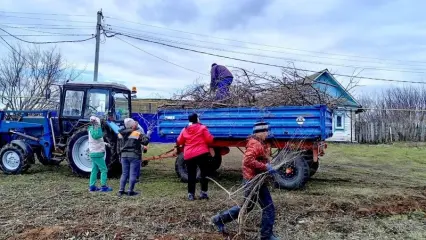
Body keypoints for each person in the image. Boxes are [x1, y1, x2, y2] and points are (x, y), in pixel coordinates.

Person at [211, 122, 280, 240]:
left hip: (253, 179)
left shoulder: (258, 143)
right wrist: (265, 167)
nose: (267, 134)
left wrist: (266, 164)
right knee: (268, 207)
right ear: (261, 132)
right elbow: (247, 161)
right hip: (253, 180)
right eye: (266, 131)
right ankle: (266, 235)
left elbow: (257, 159)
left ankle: (219, 219)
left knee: (247, 207)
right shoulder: (255, 144)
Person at [177, 113, 214, 201]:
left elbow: (179, 141)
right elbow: (210, 139)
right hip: (201, 153)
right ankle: (203, 193)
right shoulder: (202, 128)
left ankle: (191, 195)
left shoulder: (184, 129)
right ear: (197, 119)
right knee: (204, 173)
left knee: (191, 175)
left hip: (189, 155)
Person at [117, 118, 150, 196]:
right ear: (132, 125)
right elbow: (145, 142)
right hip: (134, 156)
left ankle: (121, 191)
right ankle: (130, 191)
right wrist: (147, 135)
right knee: (133, 174)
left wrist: (119, 156)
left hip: (123, 156)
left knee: (124, 173)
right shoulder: (136, 133)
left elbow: (118, 147)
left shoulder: (119, 134)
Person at [88, 116, 113, 192]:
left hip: (94, 152)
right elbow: (96, 136)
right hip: (97, 153)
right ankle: (104, 187)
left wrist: (105, 143)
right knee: (104, 169)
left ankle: (92, 186)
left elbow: (96, 141)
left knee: (94, 170)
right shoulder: (95, 129)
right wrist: (100, 129)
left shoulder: (91, 129)